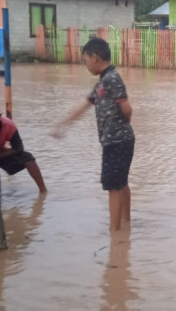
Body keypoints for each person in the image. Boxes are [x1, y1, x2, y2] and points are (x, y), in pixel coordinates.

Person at [52, 38, 135, 232]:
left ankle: (115, 233)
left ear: (95, 58)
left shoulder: (112, 78)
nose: (85, 64)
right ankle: (126, 224)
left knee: (113, 186)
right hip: (117, 140)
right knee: (120, 182)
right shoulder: (103, 81)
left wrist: (123, 125)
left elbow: (127, 108)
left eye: (85, 60)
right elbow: (84, 105)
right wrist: (64, 124)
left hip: (117, 141)